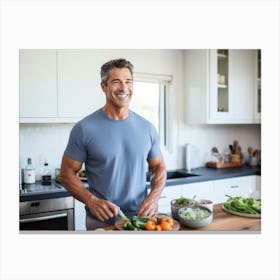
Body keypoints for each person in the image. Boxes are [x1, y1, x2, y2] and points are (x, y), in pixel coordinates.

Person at [60, 58, 166, 230]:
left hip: (142, 220)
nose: (124, 88)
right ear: (104, 87)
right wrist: (91, 201)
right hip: (102, 222)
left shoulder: (147, 128)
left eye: (128, 82)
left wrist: (154, 197)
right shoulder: (84, 129)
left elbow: (159, 167)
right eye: (116, 82)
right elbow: (66, 173)